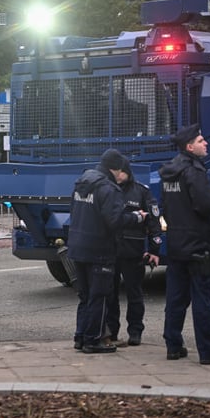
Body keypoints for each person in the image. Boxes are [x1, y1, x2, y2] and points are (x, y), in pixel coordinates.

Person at [158, 123, 210, 364]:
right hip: (198, 246)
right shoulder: (194, 171)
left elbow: (166, 208)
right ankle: (209, 352)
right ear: (190, 147)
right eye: (201, 141)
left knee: (176, 299)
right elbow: (206, 206)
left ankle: (173, 346)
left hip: (177, 245)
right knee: (203, 301)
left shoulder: (169, 173)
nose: (206, 143)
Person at [68, 148, 144, 354]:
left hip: (77, 246)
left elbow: (73, 211)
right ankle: (94, 340)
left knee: (84, 296)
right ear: (116, 169)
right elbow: (115, 221)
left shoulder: (83, 181)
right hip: (99, 249)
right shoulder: (108, 188)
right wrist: (137, 217)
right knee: (99, 296)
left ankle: (81, 336)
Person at [106, 159, 162, 347]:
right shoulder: (108, 189)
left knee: (134, 294)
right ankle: (111, 331)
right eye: (116, 172)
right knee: (110, 294)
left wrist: (155, 250)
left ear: (127, 172)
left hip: (133, 251)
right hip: (111, 250)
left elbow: (153, 221)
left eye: (121, 172)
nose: (118, 175)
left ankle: (135, 331)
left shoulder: (141, 191)